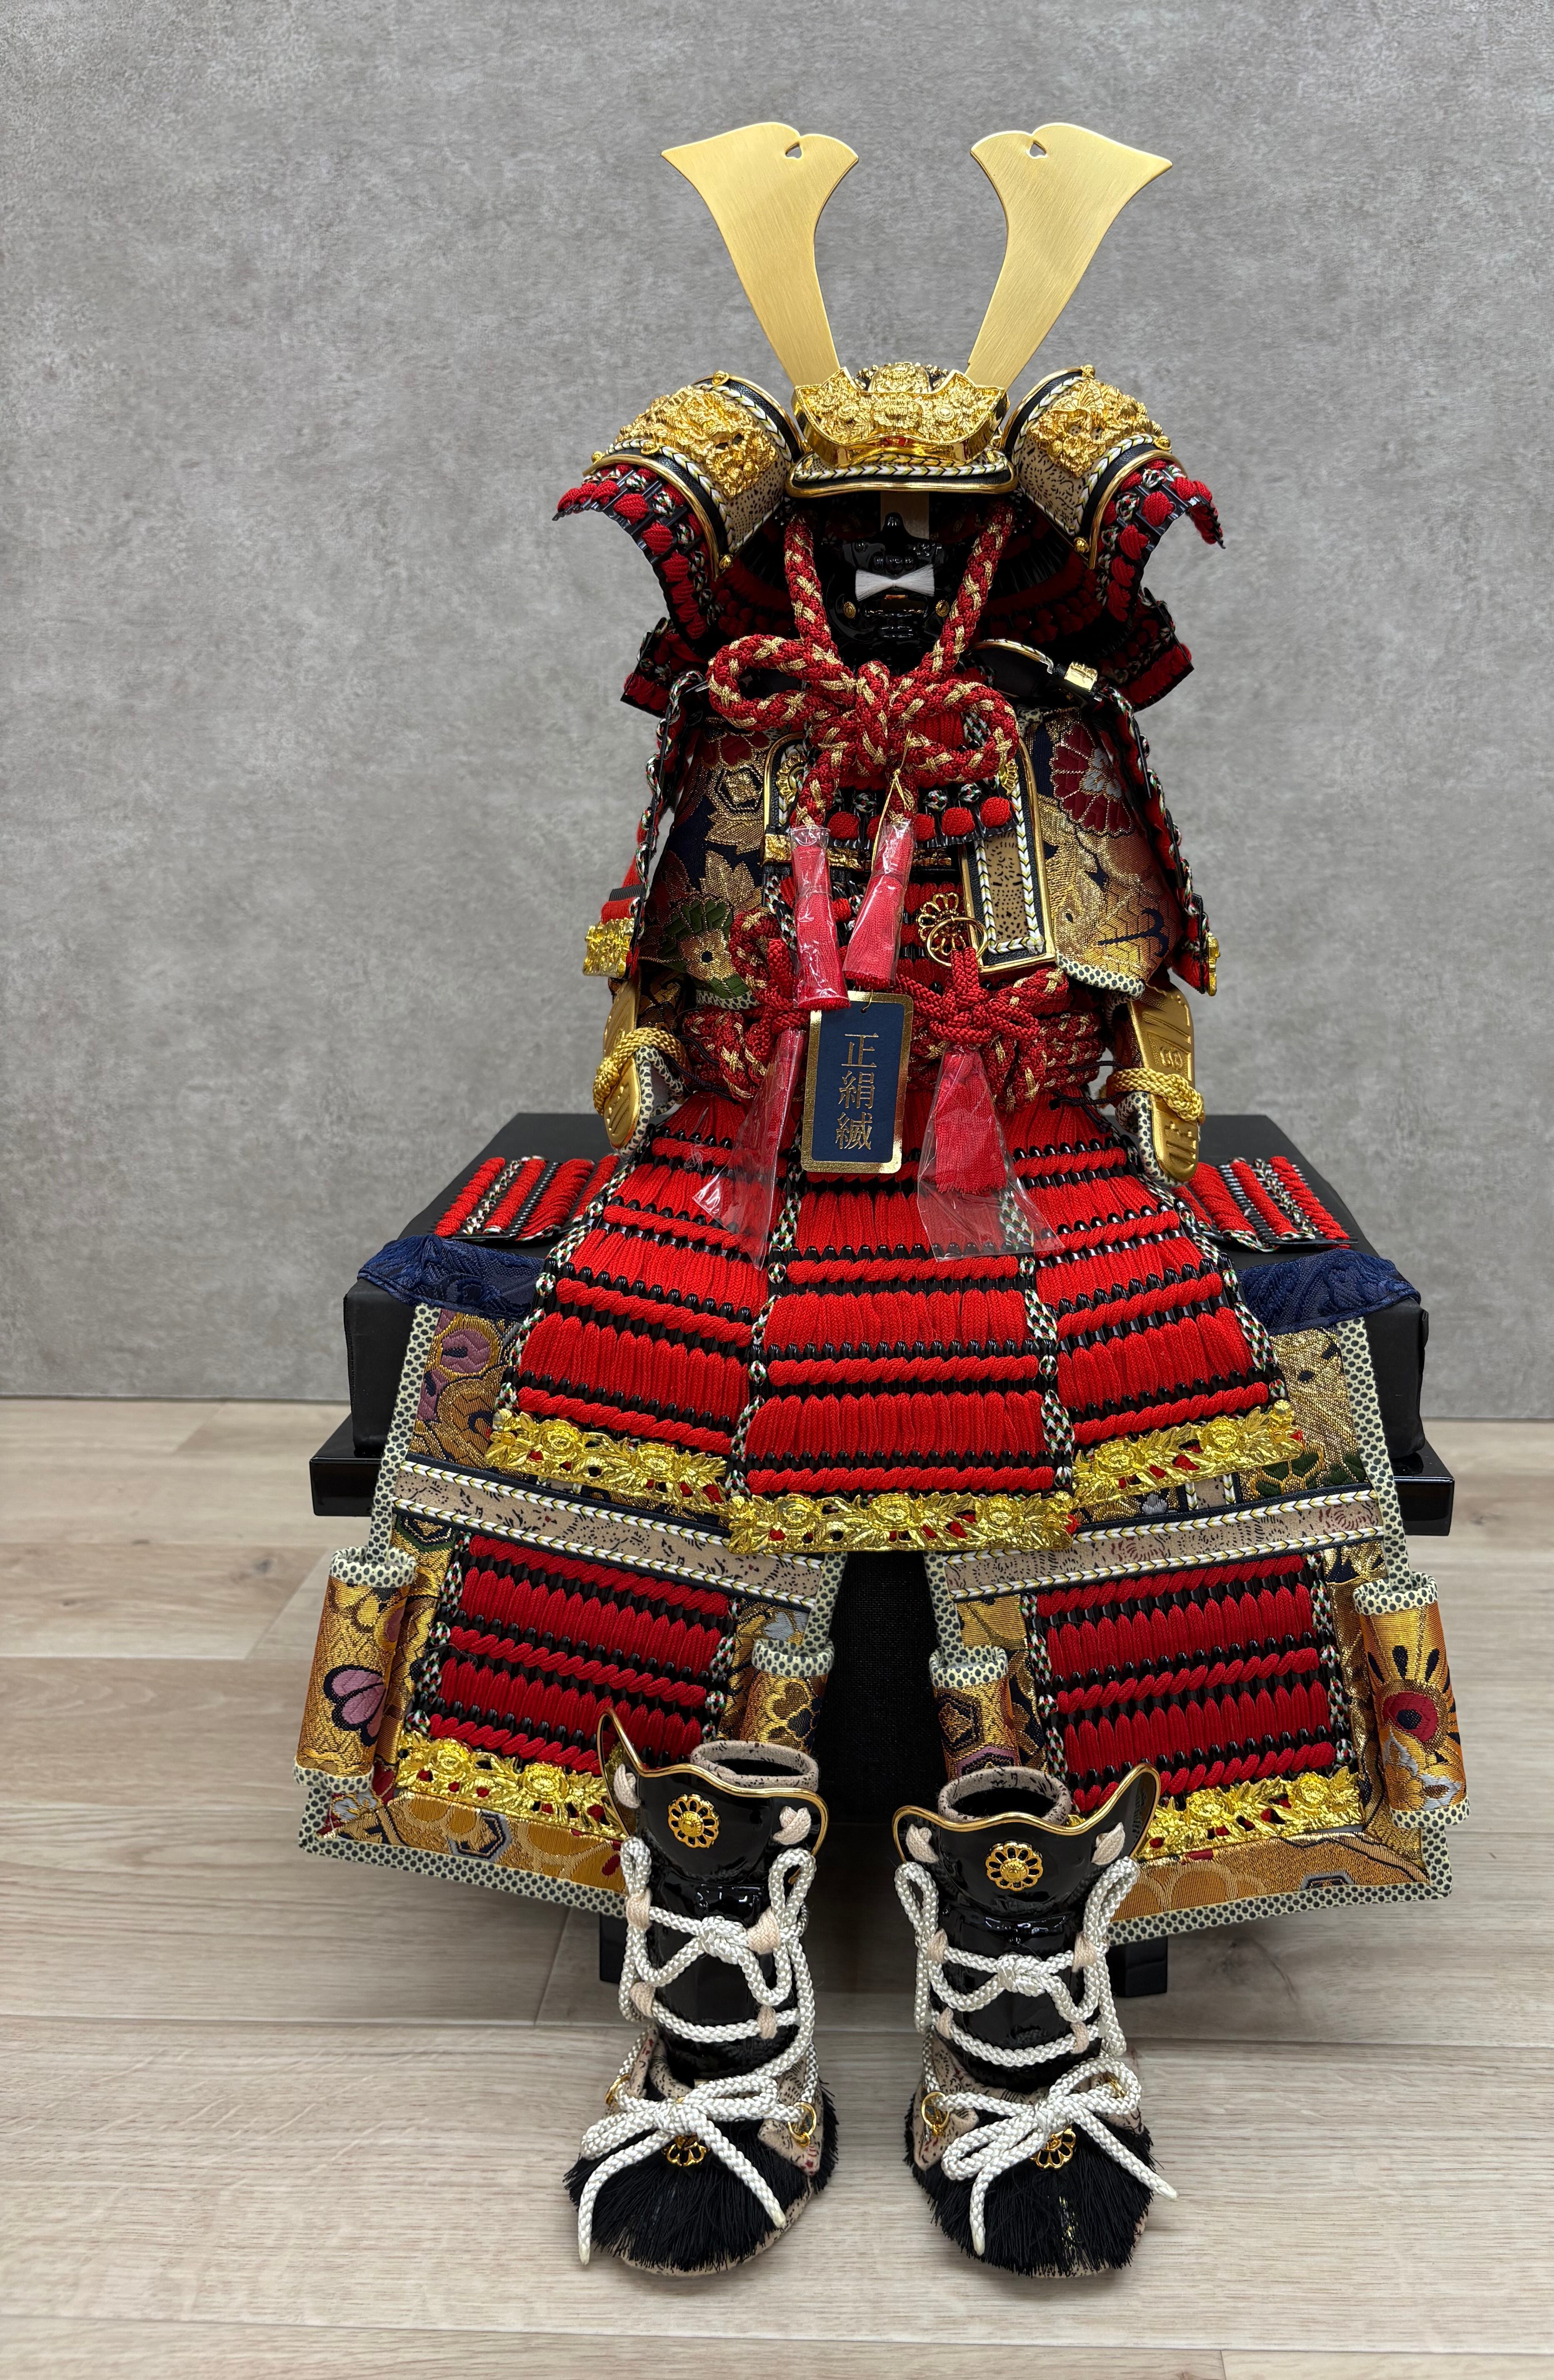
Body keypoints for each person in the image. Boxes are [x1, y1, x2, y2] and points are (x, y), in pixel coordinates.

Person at [296, 120, 1466, 2279]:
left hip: (1032, 1164)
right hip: (741, 1158)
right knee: (626, 1392)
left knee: (1133, 1401)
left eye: (938, 539)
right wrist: (677, 1062)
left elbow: (1129, 979)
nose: (904, 578)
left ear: (1007, 545)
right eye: (859, 540)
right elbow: (663, 972)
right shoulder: (738, 730)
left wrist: (1102, 1091)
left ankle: (1024, 1940)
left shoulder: (1052, 735)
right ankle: (711, 1948)